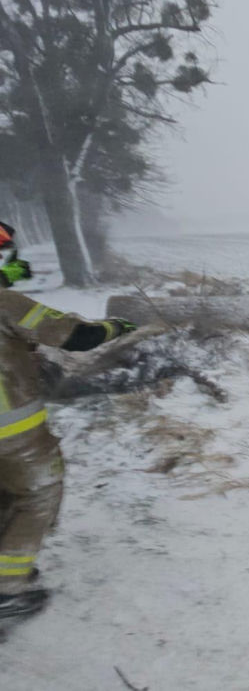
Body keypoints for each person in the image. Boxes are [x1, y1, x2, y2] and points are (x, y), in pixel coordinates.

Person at [0, 222, 136, 621]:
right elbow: (77, 336)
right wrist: (117, 327)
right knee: (38, 494)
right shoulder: (6, 305)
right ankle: (7, 591)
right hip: (12, 435)